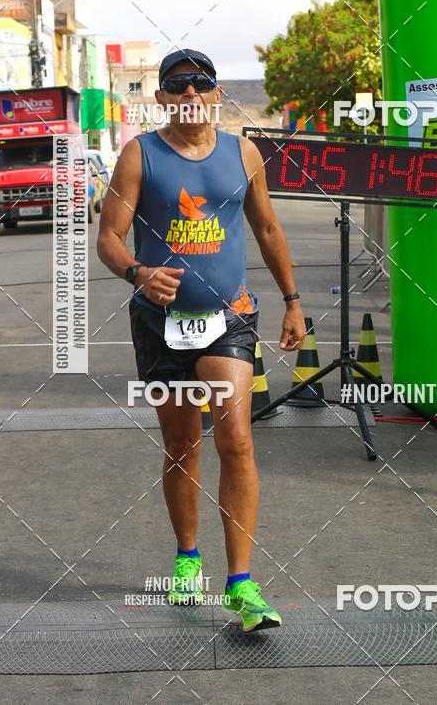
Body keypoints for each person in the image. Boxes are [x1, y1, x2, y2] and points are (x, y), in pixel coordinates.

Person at [97, 48, 306, 631]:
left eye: (201, 86)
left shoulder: (244, 153)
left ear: (217, 95)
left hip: (230, 317)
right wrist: (139, 272)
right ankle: (187, 556)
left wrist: (292, 302)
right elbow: (109, 237)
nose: (190, 96)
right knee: (183, 445)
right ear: (162, 97)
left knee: (236, 438)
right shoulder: (140, 155)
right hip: (160, 323)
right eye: (178, 86)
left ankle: (240, 584)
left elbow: (266, 228)